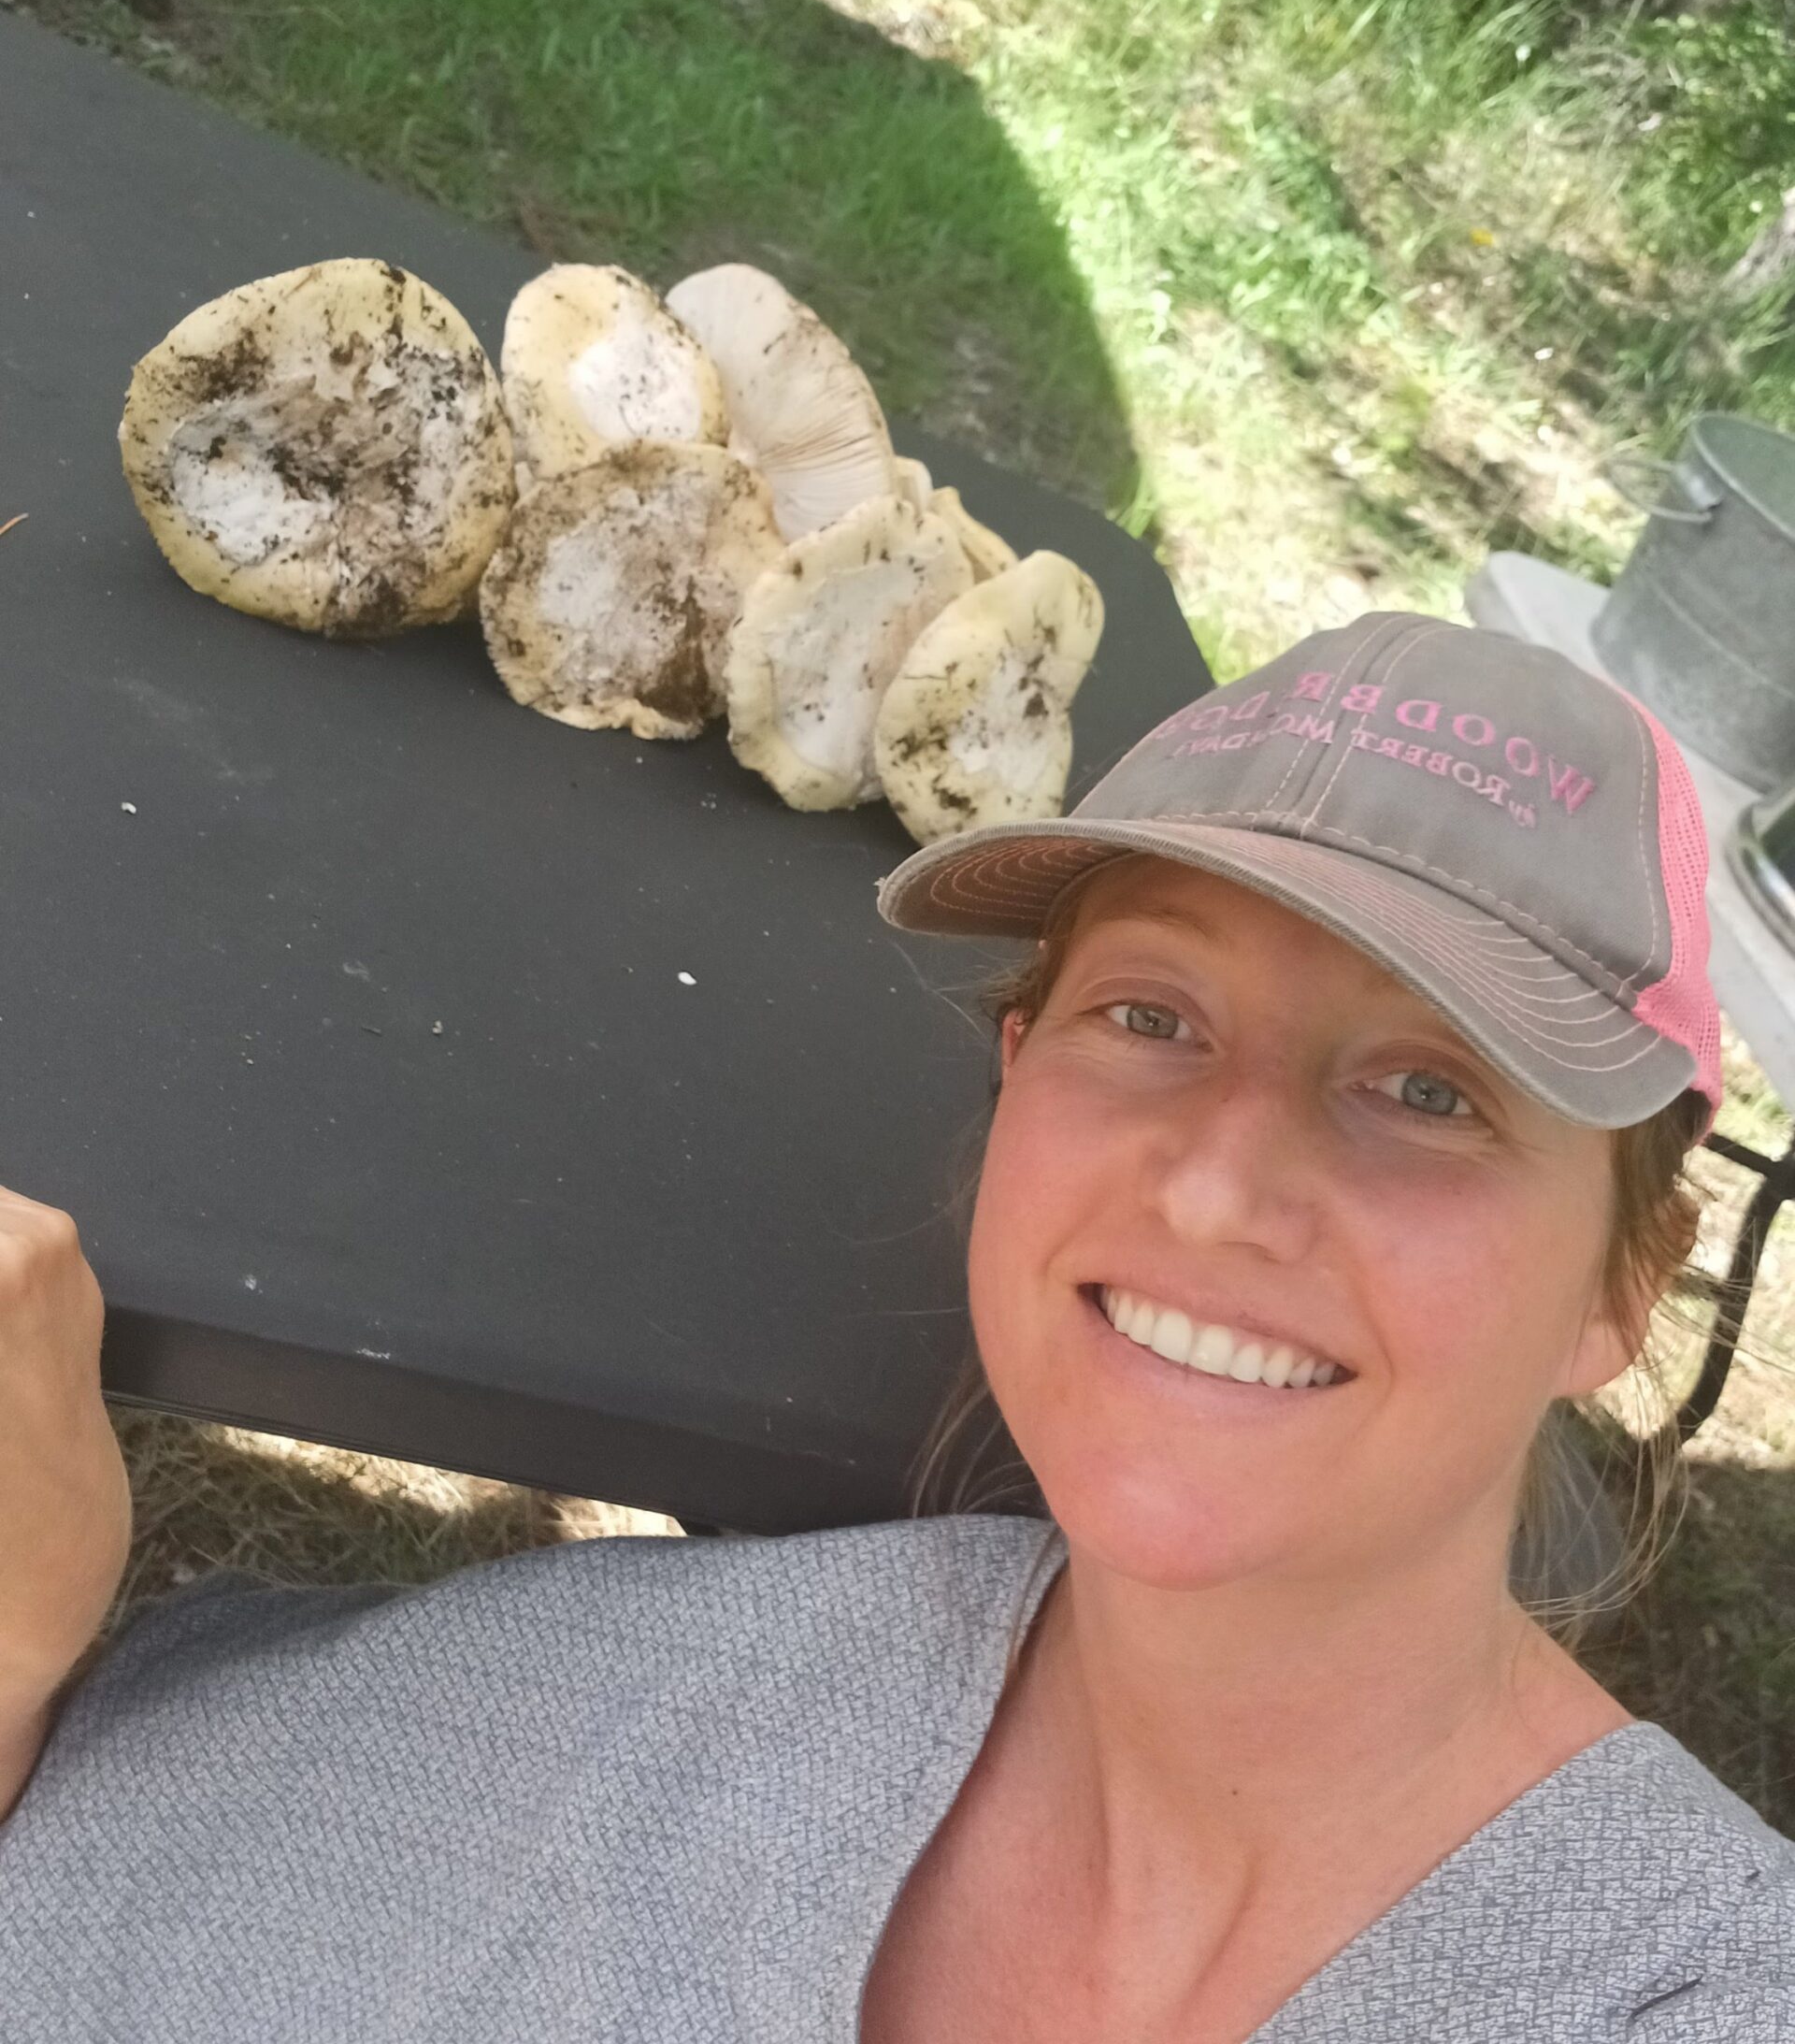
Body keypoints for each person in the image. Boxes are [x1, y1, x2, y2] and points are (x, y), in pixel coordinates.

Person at [0, 609, 1789, 2043]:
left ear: (1623, 1289)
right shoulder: (599, 1692)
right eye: (1151, 1016)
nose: (1217, 1193)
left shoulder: (1689, 1986)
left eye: (1428, 1089)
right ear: (1018, 1071)